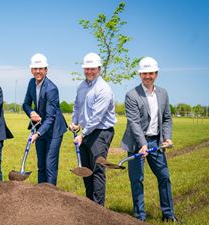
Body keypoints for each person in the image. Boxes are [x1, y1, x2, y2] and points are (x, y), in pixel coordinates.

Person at [121, 57, 177, 222]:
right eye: (144, 73)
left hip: (156, 142)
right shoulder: (132, 95)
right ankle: (140, 217)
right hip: (136, 143)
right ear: (140, 74)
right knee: (137, 179)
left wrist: (167, 138)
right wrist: (142, 144)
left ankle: (168, 214)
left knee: (164, 177)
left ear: (156, 74)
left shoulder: (163, 93)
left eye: (151, 73)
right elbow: (134, 123)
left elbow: (167, 118)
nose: (147, 76)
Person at [69, 52, 117, 206]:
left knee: (97, 170)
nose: (89, 72)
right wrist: (75, 122)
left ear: (99, 69)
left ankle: (98, 209)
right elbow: (77, 106)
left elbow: (97, 117)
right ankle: (89, 206)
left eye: (92, 69)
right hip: (86, 132)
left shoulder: (103, 89)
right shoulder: (81, 86)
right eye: (86, 69)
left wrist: (82, 134)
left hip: (101, 133)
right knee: (86, 170)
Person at [22, 53, 67, 185]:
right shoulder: (31, 83)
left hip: (54, 130)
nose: (38, 71)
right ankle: (41, 196)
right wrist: (31, 113)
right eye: (35, 68)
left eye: (41, 68)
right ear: (31, 70)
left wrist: (38, 134)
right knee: (41, 164)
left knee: (49, 165)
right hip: (41, 126)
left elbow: (50, 117)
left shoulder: (51, 88)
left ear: (46, 70)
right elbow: (25, 104)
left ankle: (52, 197)